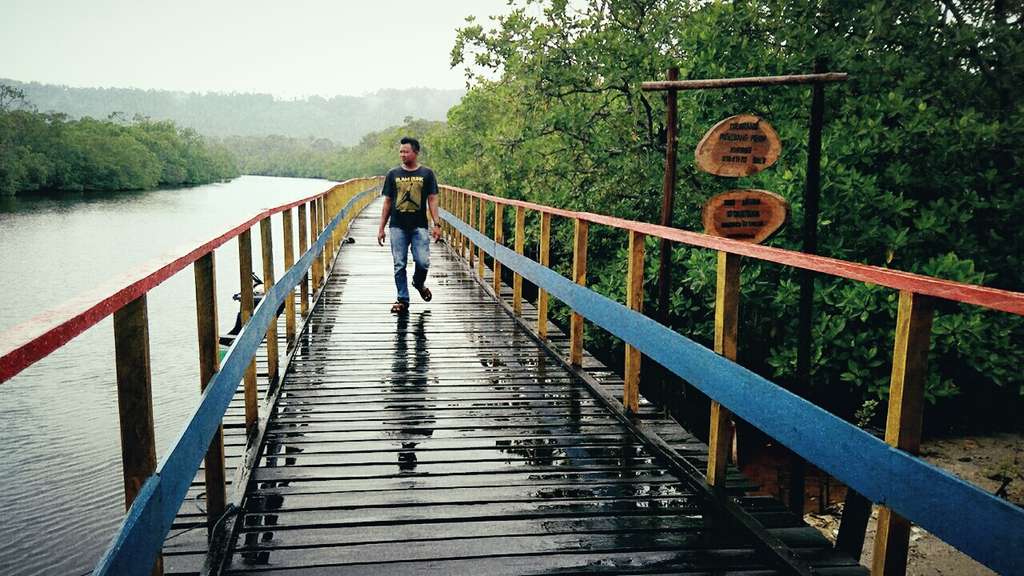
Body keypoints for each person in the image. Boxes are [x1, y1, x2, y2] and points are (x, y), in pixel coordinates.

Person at [377, 136, 441, 314]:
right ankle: (402, 299)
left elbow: (433, 199)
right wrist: (381, 227)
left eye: (406, 151)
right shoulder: (393, 174)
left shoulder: (427, 174)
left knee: (423, 262)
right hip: (397, 226)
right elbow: (388, 202)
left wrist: (437, 224)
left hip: (419, 225)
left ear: (416, 152)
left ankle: (418, 283)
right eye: (400, 151)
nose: (402, 155)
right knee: (399, 264)